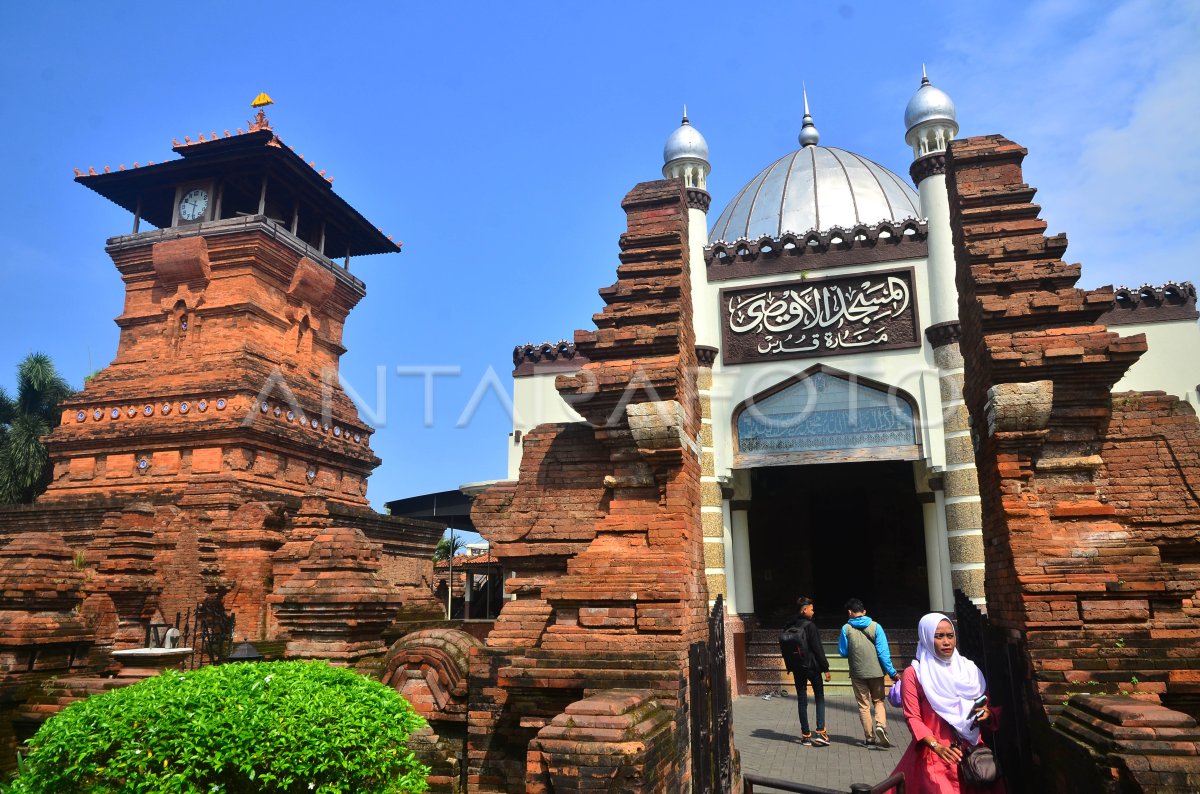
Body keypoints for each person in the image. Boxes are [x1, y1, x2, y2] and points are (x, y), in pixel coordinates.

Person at [891, 613, 1005, 793]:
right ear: (927, 638)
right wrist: (937, 747)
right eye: (939, 636)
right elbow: (913, 717)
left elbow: (986, 706)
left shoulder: (969, 670)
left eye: (950, 636)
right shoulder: (915, 674)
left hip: (973, 755)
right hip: (936, 756)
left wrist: (987, 714)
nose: (946, 642)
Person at [839, 597, 900, 749]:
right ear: (864, 612)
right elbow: (883, 653)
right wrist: (892, 672)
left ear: (849, 612)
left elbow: (843, 652)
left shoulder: (845, 628)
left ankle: (869, 739)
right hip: (876, 672)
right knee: (878, 700)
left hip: (857, 672)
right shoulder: (876, 627)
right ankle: (880, 725)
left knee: (863, 705)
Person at [779, 596, 832, 747]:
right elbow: (818, 649)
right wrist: (825, 668)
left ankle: (805, 736)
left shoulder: (789, 625)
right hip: (812, 667)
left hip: (797, 668)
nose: (813, 612)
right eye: (811, 609)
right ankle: (821, 732)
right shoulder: (810, 626)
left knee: (802, 699)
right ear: (804, 609)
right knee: (819, 697)